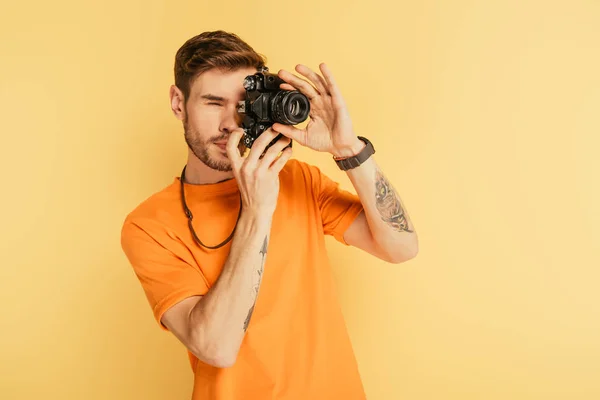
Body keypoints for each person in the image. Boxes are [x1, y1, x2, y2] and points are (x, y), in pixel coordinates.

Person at [120, 30, 418, 400]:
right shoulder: (149, 226)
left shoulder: (297, 179)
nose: (231, 123)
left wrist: (349, 150)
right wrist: (256, 211)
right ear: (178, 102)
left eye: (244, 105)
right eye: (213, 103)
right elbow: (217, 347)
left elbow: (401, 247)